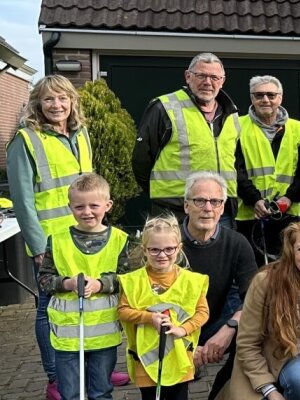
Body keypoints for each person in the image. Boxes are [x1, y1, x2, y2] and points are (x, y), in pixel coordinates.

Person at [6, 74, 129, 399]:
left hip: (88, 236)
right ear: (38, 103)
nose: (56, 105)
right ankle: (54, 378)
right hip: (51, 241)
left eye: (62, 98)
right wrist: (36, 246)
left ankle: (97, 367)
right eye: (49, 99)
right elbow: (22, 199)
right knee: (50, 307)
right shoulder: (26, 140)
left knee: (96, 300)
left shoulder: (81, 133)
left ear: (72, 101)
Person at [216, 218, 300, 400]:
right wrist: (270, 391)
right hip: (268, 364)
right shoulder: (266, 282)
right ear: (291, 251)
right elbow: (247, 343)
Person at [38, 173, 131, 400]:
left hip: (104, 335)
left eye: (94, 205)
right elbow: (44, 279)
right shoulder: (57, 240)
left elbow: (127, 279)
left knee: (101, 392)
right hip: (67, 337)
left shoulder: (120, 239)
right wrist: (66, 283)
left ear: (108, 205)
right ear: (70, 207)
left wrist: (101, 284)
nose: (87, 212)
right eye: (79, 206)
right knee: (70, 393)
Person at [178, 172, 258, 400]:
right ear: (186, 206)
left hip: (215, 325)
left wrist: (229, 328)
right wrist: (184, 341)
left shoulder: (237, 243)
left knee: (253, 331)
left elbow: (253, 300)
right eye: (200, 201)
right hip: (173, 325)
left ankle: (218, 394)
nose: (208, 208)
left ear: (222, 208)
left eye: (215, 202)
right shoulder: (168, 241)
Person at [133, 52, 239, 221]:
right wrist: (160, 192)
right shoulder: (164, 108)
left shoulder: (231, 114)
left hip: (219, 210)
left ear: (222, 81)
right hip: (174, 209)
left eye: (214, 77)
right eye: (201, 75)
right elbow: (141, 160)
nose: (207, 82)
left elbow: (236, 162)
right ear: (188, 77)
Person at [117, 215, 210, 400]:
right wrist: (149, 318)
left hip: (179, 357)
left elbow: (202, 312)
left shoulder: (192, 281)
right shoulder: (133, 281)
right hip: (145, 359)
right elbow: (122, 311)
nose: (162, 255)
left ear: (179, 248)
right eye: (154, 250)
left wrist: (183, 329)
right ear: (144, 250)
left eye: (169, 249)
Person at [235, 75, 300, 266]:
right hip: (250, 216)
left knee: (287, 271)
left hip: (287, 214)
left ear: (280, 98)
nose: (265, 100)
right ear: (251, 98)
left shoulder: (297, 128)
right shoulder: (237, 126)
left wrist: (289, 198)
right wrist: (254, 199)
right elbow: (234, 169)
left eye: (271, 95)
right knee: (253, 273)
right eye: (259, 95)